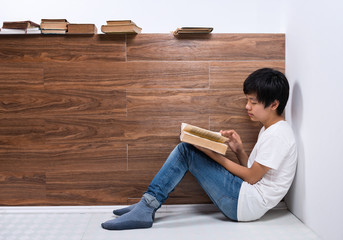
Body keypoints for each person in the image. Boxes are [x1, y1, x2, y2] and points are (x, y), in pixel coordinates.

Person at [101, 68, 298, 230]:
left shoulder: (277, 135)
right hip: (246, 198)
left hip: (246, 205)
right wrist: (238, 150)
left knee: (186, 151)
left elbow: (252, 177)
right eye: (247, 100)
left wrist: (211, 153)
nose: (247, 106)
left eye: (253, 102)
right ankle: (146, 204)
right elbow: (255, 174)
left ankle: (146, 207)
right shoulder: (269, 129)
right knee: (187, 149)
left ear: (274, 104)